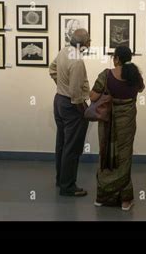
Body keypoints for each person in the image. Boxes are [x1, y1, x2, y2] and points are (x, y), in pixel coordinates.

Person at [90, 46, 145, 211]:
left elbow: (92, 96)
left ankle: (102, 198)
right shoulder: (135, 76)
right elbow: (141, 89)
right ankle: (125, 201)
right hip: (127, 123)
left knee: (106, 154)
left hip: (108, 123)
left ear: (117, 59)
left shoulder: (106, 75)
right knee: (124, 157)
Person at [49, 29, 91, 197]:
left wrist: (61, 86)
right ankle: (68, 186)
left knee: (62, 143)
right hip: (71, 105)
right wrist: (85, 111)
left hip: (59, 100)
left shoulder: (63, 51)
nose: (90, 44)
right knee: (72, 147)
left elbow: (52, 69)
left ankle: (61, 179)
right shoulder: (78, 61)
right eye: (89, 41)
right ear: (84, 43)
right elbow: (75, 94)